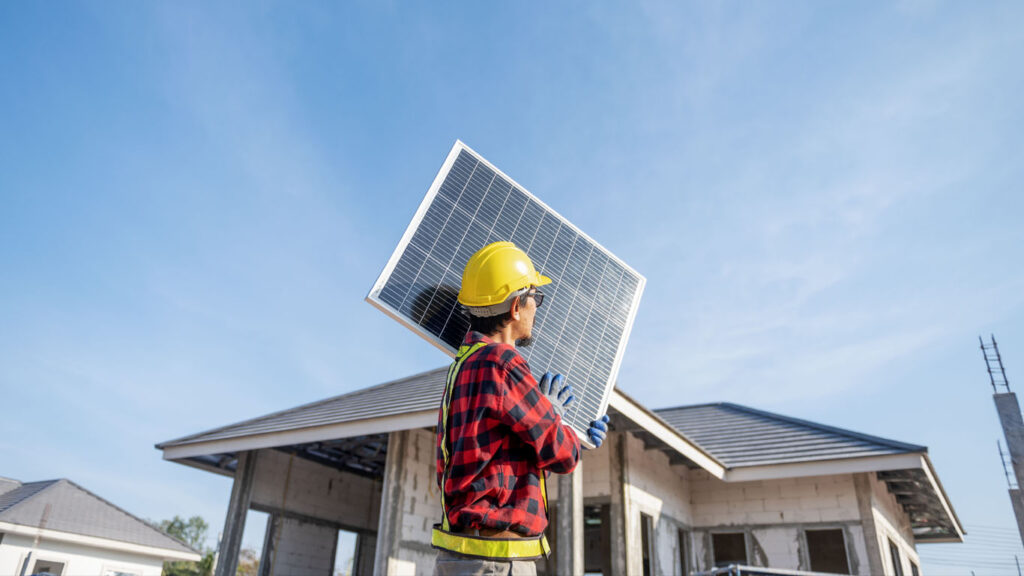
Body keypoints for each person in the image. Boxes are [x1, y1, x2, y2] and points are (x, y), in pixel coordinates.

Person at [432, 241, 611, 576]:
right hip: (496, 561)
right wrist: (556, 418)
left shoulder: (463, 365)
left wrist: (546, 413)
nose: (536, 308)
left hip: (461, 555)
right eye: (535, 299)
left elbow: (503, 438)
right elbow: (563, 454)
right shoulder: (504, 363)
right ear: (516, 307)